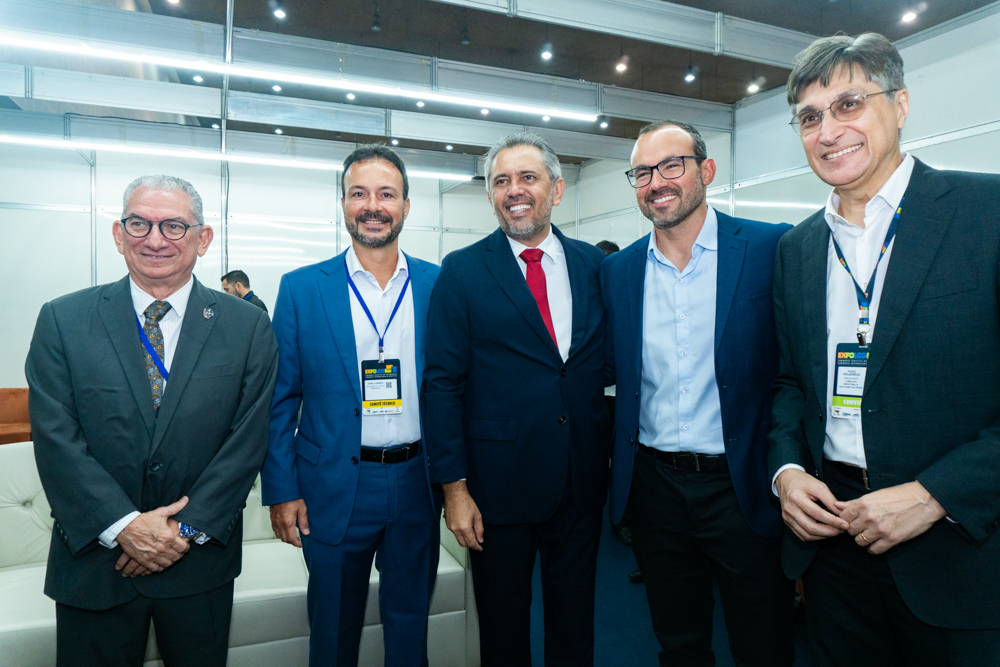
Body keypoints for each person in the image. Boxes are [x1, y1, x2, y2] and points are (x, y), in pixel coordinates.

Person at [770, 32, 1000, 666]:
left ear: (900, 105)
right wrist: (787, 473)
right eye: (809, 117)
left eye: (849, 104)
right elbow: (790, 385)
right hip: (833, 545)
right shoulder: (798, 248)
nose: (828, 131)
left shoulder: (987, 213)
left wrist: (934, 495)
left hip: (961, 550)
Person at [26, 175, 278, 667]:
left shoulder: (247, 326)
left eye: (174, 226)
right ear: (118, 234)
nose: (155, 239)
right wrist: (124, 526)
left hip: (198, 562)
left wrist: (181, 532)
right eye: (139, 224)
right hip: (95, 562)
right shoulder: (63, 319)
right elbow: (56, 438)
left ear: (202, 239)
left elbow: (248, 439)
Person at [603, 121, 795, 666]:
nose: (656, 182)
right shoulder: (618, 271)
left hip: (743, 482)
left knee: (763, 641)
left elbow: (794, 366)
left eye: (672, 165)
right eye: (643, 172)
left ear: (706, 170)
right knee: (678, 640)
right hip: (655, 488)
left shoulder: (769, 248)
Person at [423, 132, 609, 667]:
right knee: (503, 632)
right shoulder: (462, 269)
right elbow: (441, 383)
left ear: (557, 189)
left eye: (528, 177)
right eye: (501, 181)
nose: (514, 190)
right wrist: (454, 489)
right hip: (496, 488)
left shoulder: (594, 267)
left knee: (575, 625)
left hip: (579, 480)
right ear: (490, 197)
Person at [262, 145, 441, 667]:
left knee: (410, 625)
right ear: (343, 204)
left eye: (386, 194)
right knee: (333, 630)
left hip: (417, 483)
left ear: (406, 205)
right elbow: (279, 401)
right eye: (359, 194)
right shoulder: (301, 289)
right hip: (333, 486)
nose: (373, 206)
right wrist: (282, 489)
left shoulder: (439, 284)